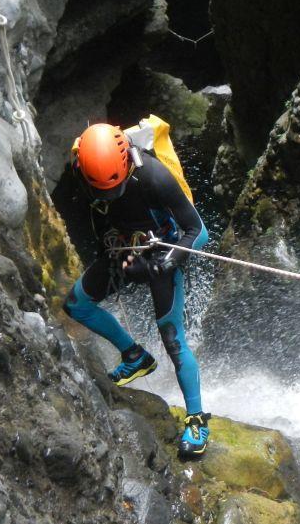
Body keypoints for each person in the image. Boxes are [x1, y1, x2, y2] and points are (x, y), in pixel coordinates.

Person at [62, 122, 210, 456]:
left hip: (163, 248)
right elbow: (100, 209)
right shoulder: (80, 167)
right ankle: (135, 356)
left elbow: (198, 232)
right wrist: (110, 242)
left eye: (114, 189)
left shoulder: (153, 176)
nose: (108, 195)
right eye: (101, 190)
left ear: (127, 164)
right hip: (122, 247)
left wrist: (164, 262)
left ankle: (198, 421)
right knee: (76, 304)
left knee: (172, 337)